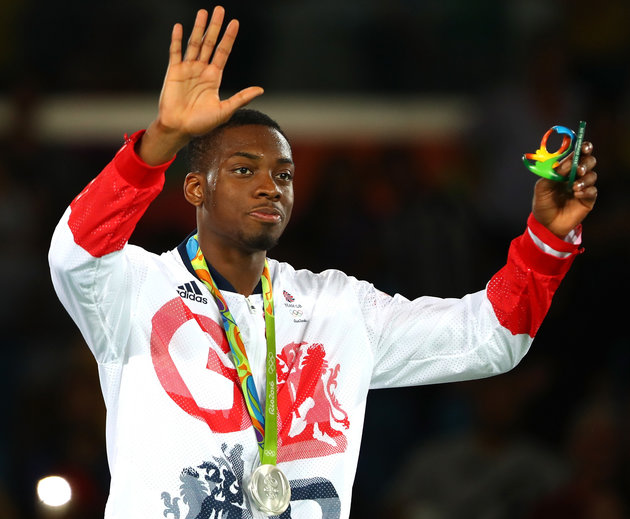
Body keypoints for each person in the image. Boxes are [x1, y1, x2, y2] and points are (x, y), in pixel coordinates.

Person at [48, 6, 598, 519]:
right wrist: (162, 139)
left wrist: (546, 239)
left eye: (283, 175)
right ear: (195, 188)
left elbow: (490, 337)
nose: (269, 186)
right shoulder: (138, 287)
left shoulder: (337, 306)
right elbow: (75, 251)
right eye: (244, 170)